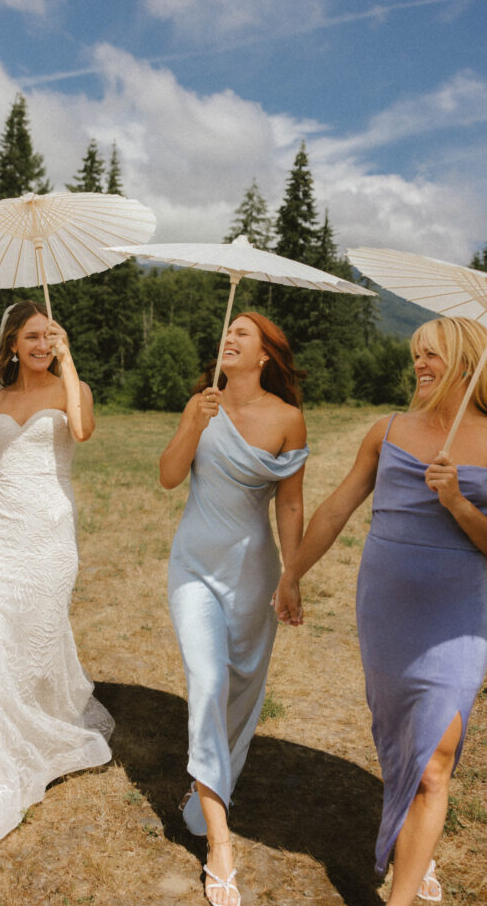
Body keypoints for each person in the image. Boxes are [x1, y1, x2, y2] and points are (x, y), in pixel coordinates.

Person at [273, 316, 487, 906]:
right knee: (400, 744)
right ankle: (414, 843)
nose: (419, 364)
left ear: (468, 365)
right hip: (387, 613)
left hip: (460, 619)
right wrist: (292, 575)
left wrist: (457, 502)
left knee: (435, 762)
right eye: (417, 353)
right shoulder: (386, 430)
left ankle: (402, 891)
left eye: (433, 355)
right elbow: (337, 509)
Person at [0, 300, 114, 852]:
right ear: (12, 343)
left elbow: (81, 433)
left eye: (49, 336)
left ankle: (35, 733)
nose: (40, 344)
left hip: (50, 533)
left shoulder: (71, 391)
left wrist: (70, 361)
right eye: (31, 337)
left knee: (33, 642)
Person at [160, 312, 308, 906]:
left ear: (265, 354)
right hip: (193, 567)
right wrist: (193, 424)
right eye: (227, 332)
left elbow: (291, 507)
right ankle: (220, 845)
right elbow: (169, 477)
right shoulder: (203, 404)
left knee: (241, 689)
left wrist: (292, 575)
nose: (229, 339)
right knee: (208, 680)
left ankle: (208, 784)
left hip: (253, 577)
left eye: (241, 335)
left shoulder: (287, 419)